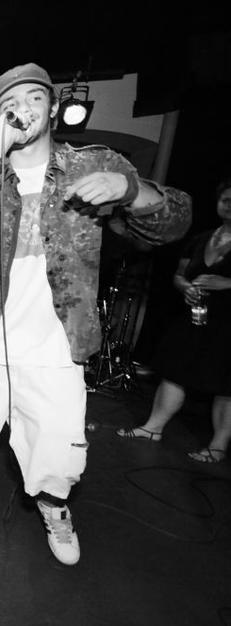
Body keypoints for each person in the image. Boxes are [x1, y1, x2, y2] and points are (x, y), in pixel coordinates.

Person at [0, 63, 192, 569]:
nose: (22, 109)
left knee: (54, 450)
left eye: (33, 98)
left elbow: (174, 222)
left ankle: (55, 511)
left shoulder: (91, 164)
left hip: (57, 341)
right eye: (9, 104)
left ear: (53, 106)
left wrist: (130, 190)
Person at [117, 178, 231, 463]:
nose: (228, 205)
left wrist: (226, 284)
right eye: (225, 200)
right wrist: (186, 287)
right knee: (174, 372)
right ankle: (152, 428)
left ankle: (218, 445)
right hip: (195, 317)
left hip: (228, 324)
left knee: (226, 386)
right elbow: (179, 275)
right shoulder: (202, 238)